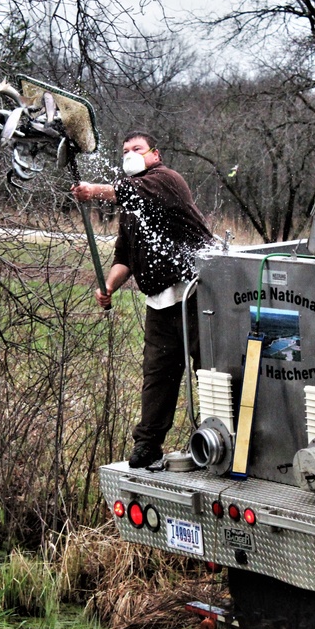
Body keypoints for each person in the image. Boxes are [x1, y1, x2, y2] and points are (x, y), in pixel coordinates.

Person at [72, 132, 213, 468]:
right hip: (160, 303)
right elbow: (125, 256)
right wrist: (108, 287)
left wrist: (94, 191)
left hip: (197, 295)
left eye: (137, 149)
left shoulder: (166, 181)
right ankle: (148, 445)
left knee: (209, 373)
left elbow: (129, 192)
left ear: (155, 154)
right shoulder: (131, 208)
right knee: (157, 376)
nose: (130, 155)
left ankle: (220, 439)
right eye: (125, 151)